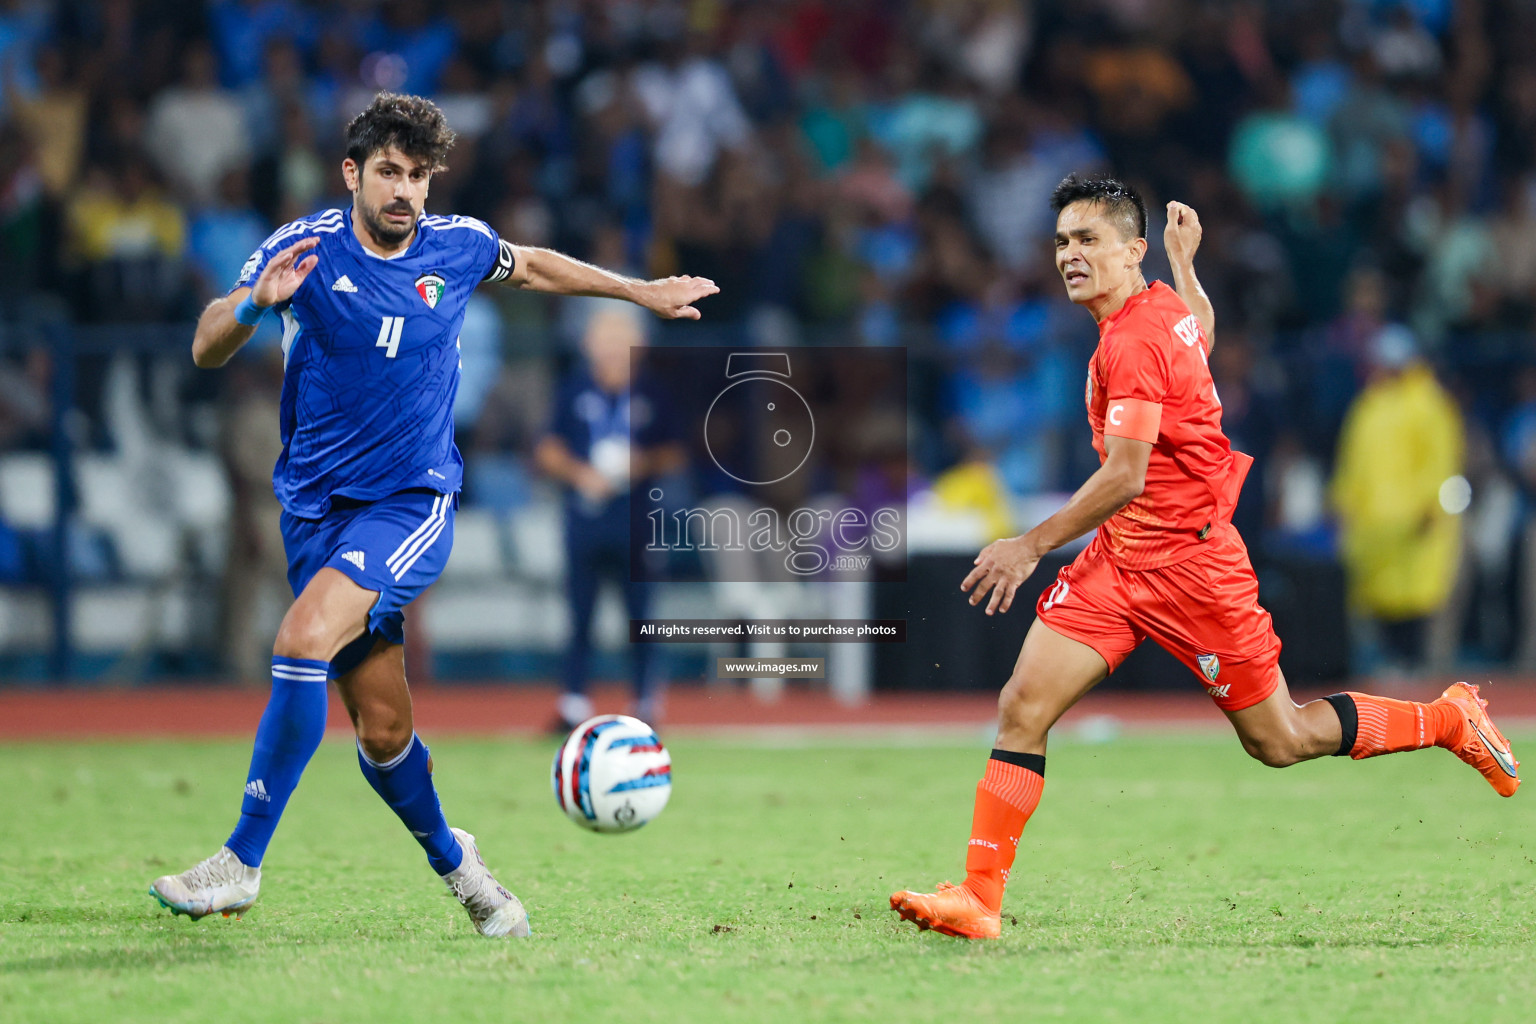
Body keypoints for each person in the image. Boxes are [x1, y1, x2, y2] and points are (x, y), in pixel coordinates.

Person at [889, 175, 1519, 942]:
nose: (1069, 256)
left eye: (1088, 240)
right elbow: (1203, 332)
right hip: (1122, 562)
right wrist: (1189, 268)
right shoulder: (1157, 306)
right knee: (1023, 706)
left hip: (1194, 568)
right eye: (1061, 241)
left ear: (1131, 250)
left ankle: (1449, 718)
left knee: (1280, 740)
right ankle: (980, 899)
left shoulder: (1133, 339)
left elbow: (1124, 474)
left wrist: (1029, 545)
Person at [149, 93, 717, 937]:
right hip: (313, 512)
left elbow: (533, 266)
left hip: (408, 503)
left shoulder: (456, 247)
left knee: (302, 641)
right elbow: (204, 345)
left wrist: (637, 292)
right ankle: (467, 873)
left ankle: (240, 860)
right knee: (383, 730)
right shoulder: (303, 251)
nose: (404, 191)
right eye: (388, 172)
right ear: (352, 173)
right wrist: (252, 306)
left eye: (418, 176)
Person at [534, 305, 683, 731]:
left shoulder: (653, 391)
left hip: (637, 520)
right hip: (585, 519)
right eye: (605, 337)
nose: (613, 347)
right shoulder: (573, 388)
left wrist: (640, 463)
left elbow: (677, 451)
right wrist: (581, 473)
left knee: (642, 618)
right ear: (587, 343)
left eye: (621, 337)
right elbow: (546, 448)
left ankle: (646, 702)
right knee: (579, 615)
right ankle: (574, 703)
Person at [1330, 325, 1465, 675]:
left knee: (1417, 599)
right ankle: (1390, 669)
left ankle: (1419, 671)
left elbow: (1441, 460)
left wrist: (1432, 507)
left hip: (1414, 523)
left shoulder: (1429, 403)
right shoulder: (1368, 406)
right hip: (1373, 525)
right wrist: (1344, 505)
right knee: (1378, 602)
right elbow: (1352, 462)